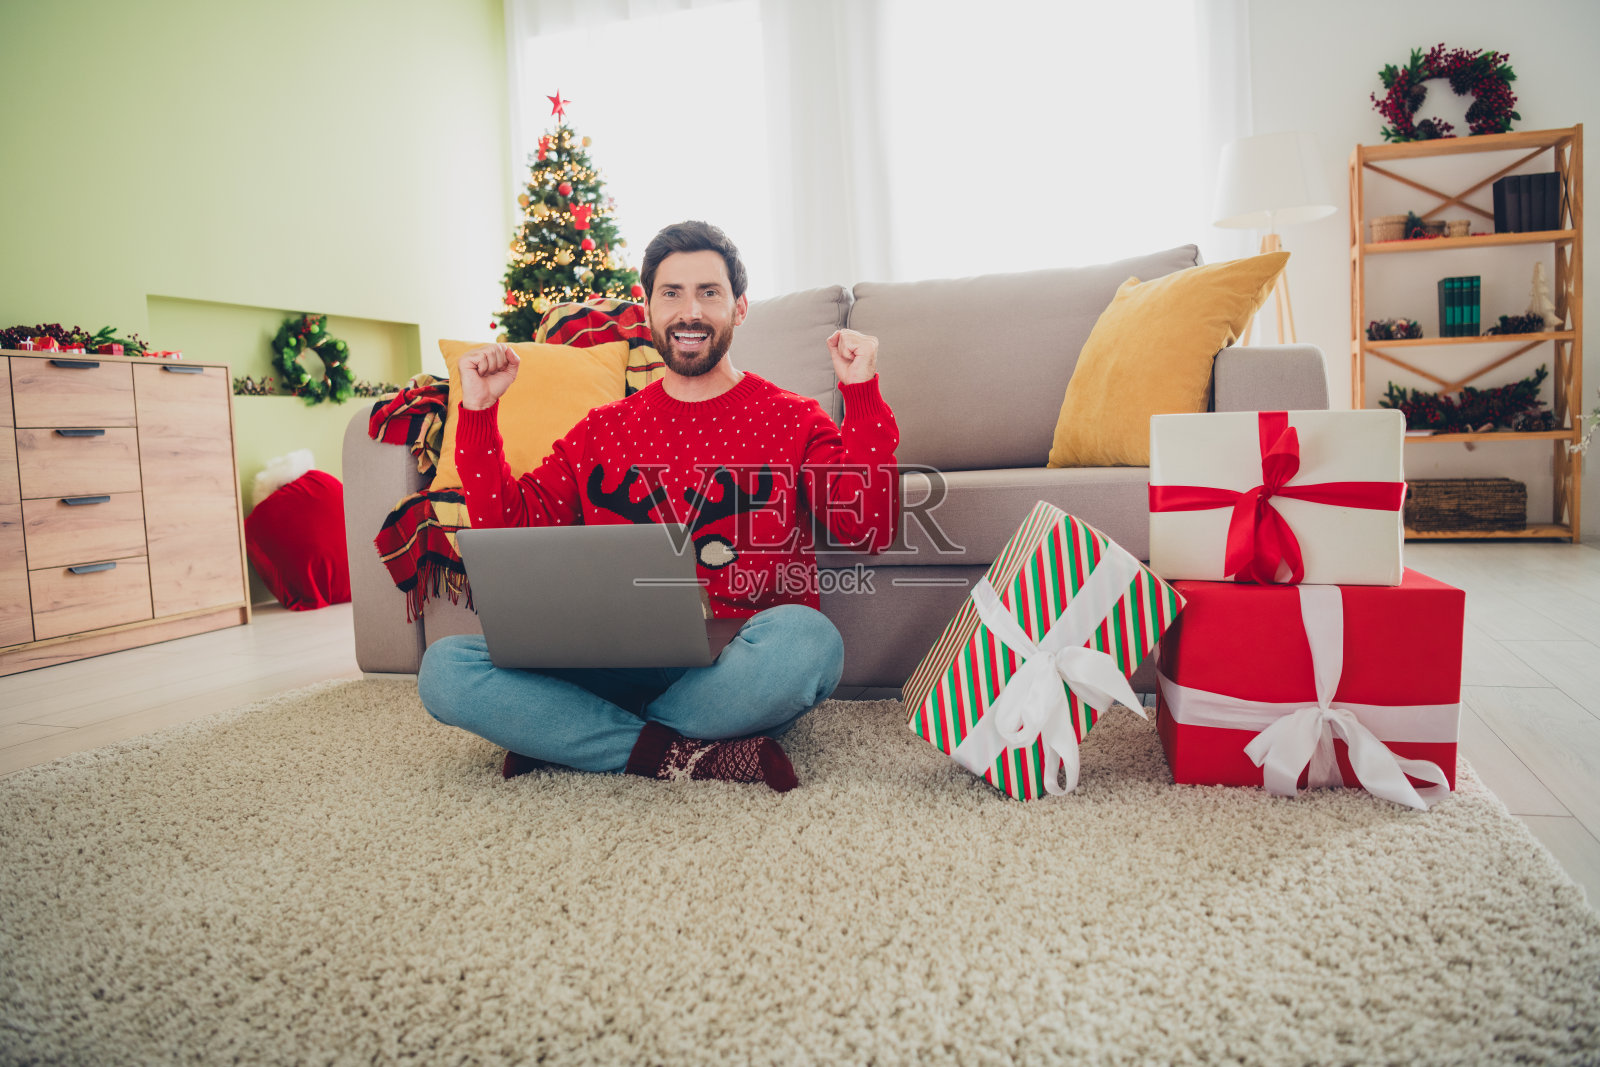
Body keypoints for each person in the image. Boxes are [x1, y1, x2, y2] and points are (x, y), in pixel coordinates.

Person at [417, 221, 900, 792]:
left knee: (811, 643)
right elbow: (509, 529)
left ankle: (569, 737)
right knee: (445, 670)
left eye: (709, 293)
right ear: (647, 308)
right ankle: (689, 753)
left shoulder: (793, 418)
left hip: (730, 665)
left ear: (739, 309)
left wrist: (861, 394)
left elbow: (868, 528)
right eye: (670, 293)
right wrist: (476, 414)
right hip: (605, 662)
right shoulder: (602, 429)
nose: (688, 312)